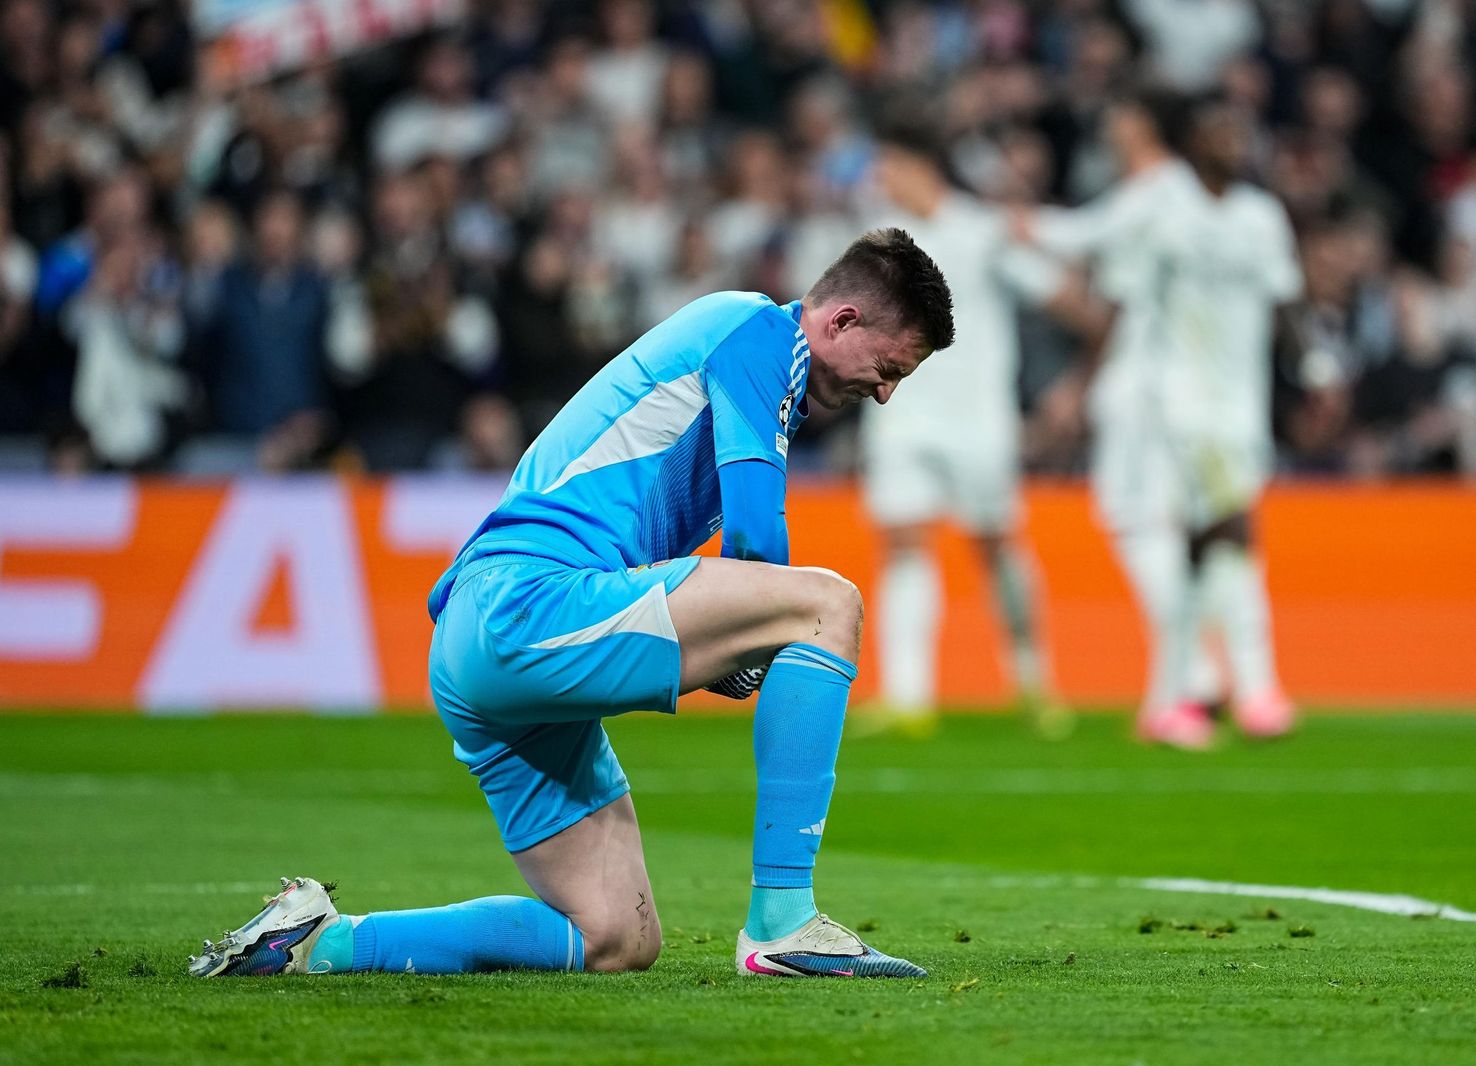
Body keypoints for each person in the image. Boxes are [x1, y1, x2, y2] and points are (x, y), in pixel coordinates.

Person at [187, 227, 953, 979]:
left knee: (615, 935)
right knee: (827, 606)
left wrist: (739, 645)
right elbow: (756, 542)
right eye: (889, 367)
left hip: (480, 641)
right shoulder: (758, 331)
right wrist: (753, 650)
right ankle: (783, 920)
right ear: (840, 320)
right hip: (528, 604)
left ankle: (318, 943)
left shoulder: (746, 353)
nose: (886, 393)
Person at [1022, 90, 1299, 748]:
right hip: (1174, 404)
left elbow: (1285, 305)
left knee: (1191, 537)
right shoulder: (1162, 208)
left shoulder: (1257, 215)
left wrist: (1309, 379)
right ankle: (1234, 686)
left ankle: (1208, 688)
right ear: (1191, 141)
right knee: (1205, 535)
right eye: (1220, 130)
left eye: (1239, 131)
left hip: (1224, 405)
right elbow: (1117, 292)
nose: (1235, 142)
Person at [857, 123, 1070, 737]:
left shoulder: (983, 231)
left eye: (889, 166)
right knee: (903, 541)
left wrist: (1071, 384)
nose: (881, 180)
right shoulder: (876, 241)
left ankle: (1032, 680)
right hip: (901, 414)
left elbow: (1059, 292)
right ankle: (908, 696)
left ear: (921, 166)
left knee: (996, 544)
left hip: (978, 419)